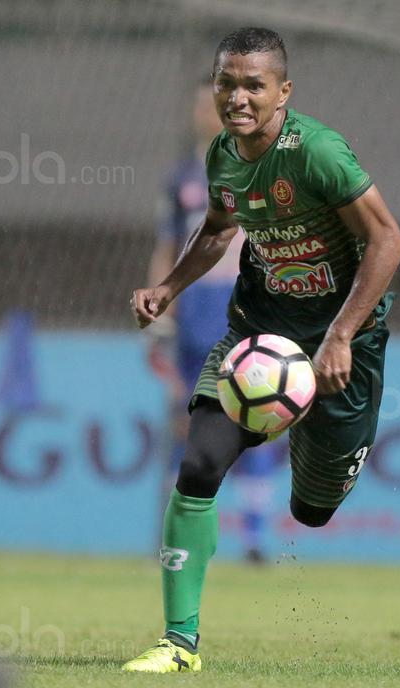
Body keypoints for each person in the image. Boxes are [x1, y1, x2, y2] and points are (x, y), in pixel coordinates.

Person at [124, 27, 400, 673]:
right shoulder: (222, 156)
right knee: (197, 465)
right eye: (227, 82)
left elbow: (388, 240)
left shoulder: (319, 154)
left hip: (343, 344)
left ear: (283, 91)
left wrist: (339, 335)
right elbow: (218, 231)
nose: (238, 96)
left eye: (253, 84)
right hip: (258, 335)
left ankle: (336, 436)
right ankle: (179, 642)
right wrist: (167, 288)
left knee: (312, 510)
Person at [146, 77, 275, 564]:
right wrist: (161, 303)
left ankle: (255, 540)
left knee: (255, 415)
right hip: (194, 312)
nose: (212, 111)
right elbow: (165, 248)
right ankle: (177, 540)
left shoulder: (260, 170)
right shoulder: (180, 179)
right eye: (203, 104)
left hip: (246, 311)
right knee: (186, 422)